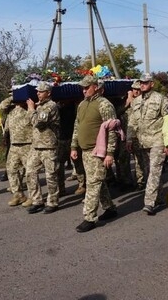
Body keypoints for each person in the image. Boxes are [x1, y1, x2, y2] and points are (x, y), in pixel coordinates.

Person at [71, 75, 119, 232]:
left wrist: (110, 153)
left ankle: (89, 218)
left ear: (96, 87)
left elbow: (112, 130)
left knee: (93, 183)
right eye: (83, 88)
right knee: (97, 180)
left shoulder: (104, 104)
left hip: (98, 151)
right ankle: (110, 208)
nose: (84, 90)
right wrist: (74, 146)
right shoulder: (82, 104)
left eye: (87, 87)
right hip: (85, 151)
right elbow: (77, 126)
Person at [127, 73, 168, 215]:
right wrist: (129, 139)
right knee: (149, 172)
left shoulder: (161, 99)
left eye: (145, 82)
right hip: (142, 142)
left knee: (154, 171)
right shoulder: (136, 101)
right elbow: (132, 121)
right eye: (141, 83)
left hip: (158, 140)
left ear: (152, 84)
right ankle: (159, 198)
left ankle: (149, 202)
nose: (142, 85)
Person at [25, 82, 61, 214]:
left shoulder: (51, 106)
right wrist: (33, 109)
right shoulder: (39, 106)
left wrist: (31, 109)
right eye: (37, 91)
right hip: (36, 146)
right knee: (30, 172)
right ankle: (37, 201)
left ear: (48, 93)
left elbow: (38, 123)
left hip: (48, 146)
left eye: (41, 91)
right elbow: (29, 122)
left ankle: (52, 202)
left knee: (50, 175)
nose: (38, 93)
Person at [0, 94, 31, 207]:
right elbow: (2, 106)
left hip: (28, 143)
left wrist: (24, 97)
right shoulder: (11, 109)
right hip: (14, 144)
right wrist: (14, 97)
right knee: (11, 170)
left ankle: (34, 196)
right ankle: (18, 195)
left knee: (30, 172)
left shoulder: (29, 106)